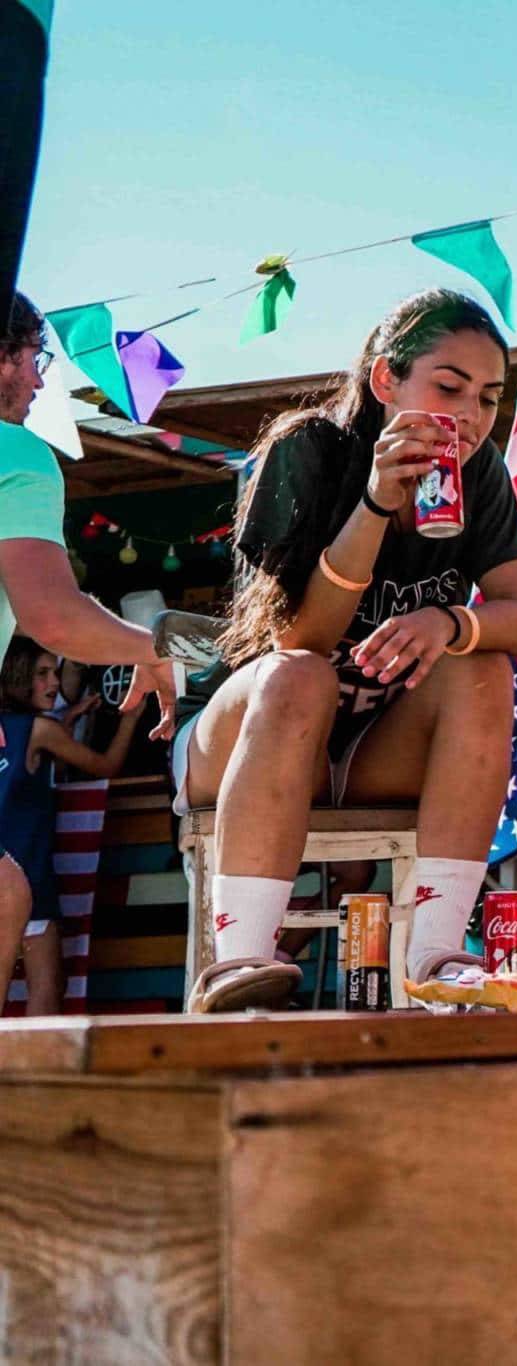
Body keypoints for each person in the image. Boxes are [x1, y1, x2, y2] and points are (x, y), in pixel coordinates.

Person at [174, 288, 517, 1012]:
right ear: (385, 381)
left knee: (484, 668)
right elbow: (298, 639)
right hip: (254, 740)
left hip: (371, 746)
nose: (470, 415)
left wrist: (449, 623)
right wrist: (375, 503)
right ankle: (239, 959)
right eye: (449, 387)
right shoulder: (310, 450)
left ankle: (436, 949)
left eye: (490, 398)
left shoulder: (480, 471)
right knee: (299, 677)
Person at [0, 291, 175, 1002]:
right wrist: (153, 649)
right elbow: (53, 614)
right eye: (35, 357)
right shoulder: (17, 454)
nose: (43, 381)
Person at [1, 638, 144, 1013]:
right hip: (29, 878)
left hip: (10, 874)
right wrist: (130, 719)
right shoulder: (39, 730)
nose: (53, 683)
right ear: (17, 678)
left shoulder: (32, 729)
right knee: (46, 989)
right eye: (42, 674)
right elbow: (106, 767)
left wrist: (65, 723)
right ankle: (31, 1073)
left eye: (54, 672)